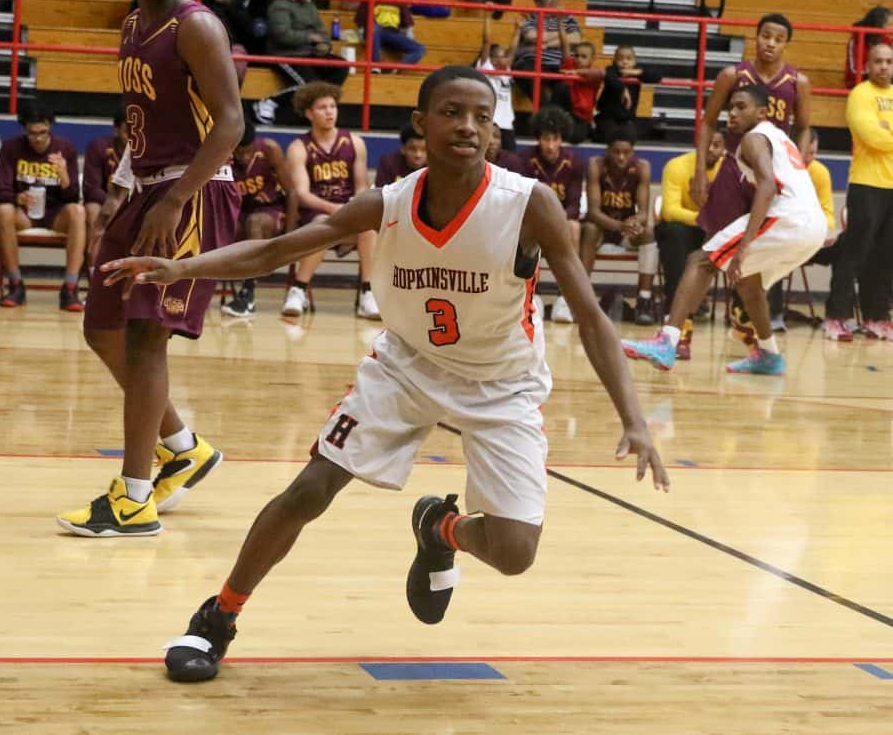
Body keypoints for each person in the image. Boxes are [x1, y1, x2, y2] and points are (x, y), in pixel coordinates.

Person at [99, 65, 669, 683]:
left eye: (482, 118)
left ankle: (441, 529)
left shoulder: (528, 204)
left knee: (514, 553)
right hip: (406, 367)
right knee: (310, 489)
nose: (468, 127)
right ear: (421, 124)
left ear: (494, 132)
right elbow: (275, 249)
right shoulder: (387, 203)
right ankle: (219, 616)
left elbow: (590, 317)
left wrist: (634, 420)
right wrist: (183, 268)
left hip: (501, 382)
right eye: (452, 113)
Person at [56, 0, 244, 537]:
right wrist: (121, 192)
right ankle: (184, 448)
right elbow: (142, 120)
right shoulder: (133, 25)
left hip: (192, 190)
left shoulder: (197, 26)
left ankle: (134, 499)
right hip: (146, 186)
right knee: (101, 325)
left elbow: (231, 124)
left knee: (144, 338)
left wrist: (176, 199)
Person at [623, 85, 827, 375]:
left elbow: (768, 186)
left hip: (788, 217)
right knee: (748, 282)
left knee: (700, 260)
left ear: (762, 112)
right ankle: (769, 354)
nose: (732, 113)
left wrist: (744, 245)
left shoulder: (754, 138)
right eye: (730, 107)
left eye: (741, 107)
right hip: (813, 226)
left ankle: (667, 340)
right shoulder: (780, 137)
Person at [688, 13, 811, 357]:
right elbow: (708, 122)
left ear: (786, 44)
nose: (770, 43)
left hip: (771, 174)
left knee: (761, 250)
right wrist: (701, 170)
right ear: (755, 37)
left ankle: (748, 324)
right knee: (715, 246)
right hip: (734, 168)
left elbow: (803, 127)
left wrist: (799, 164)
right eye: (765, 36)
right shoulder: (733, 75)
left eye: (778, 39)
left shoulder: (797, 81)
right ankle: (684, 326)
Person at [279, 81, 381, 320]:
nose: (329, 112)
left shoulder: (355, 143)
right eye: (322, 107)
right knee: (322, 223)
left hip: (349, 213)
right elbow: (303, 194)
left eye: (333, 106)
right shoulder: (298, 147)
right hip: (316, 215)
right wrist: (335, 209)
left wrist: (355, 205)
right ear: (309, 113)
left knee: (369, 228)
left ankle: (368, 293)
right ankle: (298, 290)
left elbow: (361, 185)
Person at [823, 43, 893, 341]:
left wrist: (886, 127)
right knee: (855, 252)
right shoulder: (860, 95)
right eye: (878, 61)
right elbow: (871, 136)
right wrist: (883, 130)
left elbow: (883, 135)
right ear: (867, 66)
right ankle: (836, 317)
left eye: (889, 61)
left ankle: (877, 317)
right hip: (866, 184)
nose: (884, 66)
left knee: (886, 255)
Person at [0, 104, 86, 311]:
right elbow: (1, 192)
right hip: (25, 214)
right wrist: (18, 197)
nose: (37, 139)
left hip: (55, 214)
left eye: (43, 133)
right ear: (25, 129)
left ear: (50, 127)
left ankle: (70, 288)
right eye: (32, 133)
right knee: (4, 211)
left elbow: (72, 197)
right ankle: (16, 285)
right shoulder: (11, 148)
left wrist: (63, 175)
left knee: (78, 212)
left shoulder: (66, 148)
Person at [579, 126, 657, 326]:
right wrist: (621, 226)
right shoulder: (596, 165)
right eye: (616, 152)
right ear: (608, 151)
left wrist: (633, 222)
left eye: (626, 152)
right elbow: (593, 212)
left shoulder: (642, 167)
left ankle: (644, 299)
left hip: (626, 231)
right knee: (589, 229)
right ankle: (582, 298)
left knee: (648, 233)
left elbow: (643, 213)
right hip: (602, 229)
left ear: (633, 152)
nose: (621, 157)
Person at [254, 0, 350, 125]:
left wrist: (324, 46)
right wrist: (309, 37)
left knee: (341, 66)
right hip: (285, 54)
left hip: (310, 53)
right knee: (310, 84)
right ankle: (269, 102)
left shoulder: (310, 6)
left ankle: (316, 106)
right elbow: (282, 35)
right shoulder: (279, 5)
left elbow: (322, 32)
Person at [223, 121, 295, 318]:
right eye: (239, 153)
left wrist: (290, 234)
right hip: (240, 213)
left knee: (255, 222)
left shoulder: (270, 149)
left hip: (270, 210)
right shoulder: (223, 155)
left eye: (248, 151)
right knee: (222, 228)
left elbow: (292, 191)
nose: (244, 157)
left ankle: (248, 293)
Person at [520, 106, 583, 323]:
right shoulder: (525, 160)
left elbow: (574, 205)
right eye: (546, 139)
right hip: (534, 221)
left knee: (574, 226)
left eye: (555, 139)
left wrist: (556, 221)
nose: (550, 145)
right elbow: (524, 200)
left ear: (562, 139)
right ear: (538, 139)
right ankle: (533, 294)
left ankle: (564, 298)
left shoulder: (574, 162)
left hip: (562, 222)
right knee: (523, 227)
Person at [655, 131, 725, 322]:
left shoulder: (729, 169)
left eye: (717, 145)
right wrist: (706, 219)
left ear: (724, 149)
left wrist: (714, 223)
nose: (711, 149)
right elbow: (669, 211)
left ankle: (743, 314)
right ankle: (673, 309)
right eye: (707, 144)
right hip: (688, 228)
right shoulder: (676, 166)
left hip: (717, 230)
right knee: (673, 231)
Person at [511, 0, 581, 107]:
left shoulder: (568, 17)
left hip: (561, 63)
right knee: (526, 71)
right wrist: (562, 34)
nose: (553, 0)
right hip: (535, 62)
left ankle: (553, 113)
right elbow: (532, 36)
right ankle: (545, 111)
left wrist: (547, 44)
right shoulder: (531, 17)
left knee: (566, 84)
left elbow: (576, 38)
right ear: (538, 2)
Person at [355, 0, 426, 71]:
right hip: (374, 32)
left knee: (420, 49)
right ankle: (375, 65)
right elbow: (361, 15)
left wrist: (408, 35)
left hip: (393, 34)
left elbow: (407, 19)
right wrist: (361, 33)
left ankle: (397, 68)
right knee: (375, 28)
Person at [595, 45, 662, 142]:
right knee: (610, 136)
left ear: (635, 61)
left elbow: (657, 77)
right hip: (608, 116)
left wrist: (637, 72)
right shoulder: (611, 70)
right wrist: (622, 88)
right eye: (620, 59)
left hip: (626, 118)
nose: (625, 62)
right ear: (614, 61)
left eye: (629, 58)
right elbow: (608, 76)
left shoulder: (637, 73)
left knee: (629, 137)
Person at [475, 12, 520, 150]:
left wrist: (518, 29)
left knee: (511, 157)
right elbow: (486, 41)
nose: (505, 59)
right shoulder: (485, 67)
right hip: (490, 123)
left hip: (507, 124)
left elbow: (513, 50)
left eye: (505, 56)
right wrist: (487, 17)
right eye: (501, 56)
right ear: (492, 58)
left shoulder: (506, 71)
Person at [551, 27, 603, 143]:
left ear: (592, 59)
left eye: (584, 57)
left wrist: (577, 72)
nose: (579, 59)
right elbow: (565, 45)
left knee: (576, 138)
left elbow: (601, 73)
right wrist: (560, 24)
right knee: (561, 86)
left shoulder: (594, 72)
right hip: (567, 112)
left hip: (581, 116)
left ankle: (589, 129)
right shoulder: (570, 65)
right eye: (577, 55)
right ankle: (553, 119)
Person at [83, 110, 127, 245]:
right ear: (116, 130)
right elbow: (91, 189)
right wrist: (113, 201)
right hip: (106, 202)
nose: (134, 137)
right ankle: (93, 258)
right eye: (128, 131)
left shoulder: (148, 151)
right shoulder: (99, 147)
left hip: (136, 203)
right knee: (92, 208)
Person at [846, 6, 890, 88]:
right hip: (861, 83)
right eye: (887, 24)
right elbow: (854, 70)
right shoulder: (856, 40)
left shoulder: (887, 41)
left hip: (883, 81)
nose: (890, 28)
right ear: (878, 24)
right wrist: (876, 68)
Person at [374, 123, 426, 188]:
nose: (418, 155)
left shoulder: (435, 166)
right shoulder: (389, 163)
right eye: (412, 149)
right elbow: (381, 191)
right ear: (403, 148)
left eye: (424, 149)